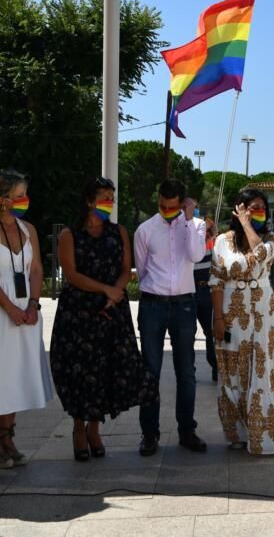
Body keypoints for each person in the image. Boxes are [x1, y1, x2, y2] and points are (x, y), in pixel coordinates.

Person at [50, 177, 158, 461]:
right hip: (78, 314)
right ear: (89, 201)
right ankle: (77, 427)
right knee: (78, 371)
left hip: (111, 312)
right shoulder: (69, 235)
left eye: (112, 197)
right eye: (104, 197)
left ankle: (95, 428)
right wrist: (105, 289)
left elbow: (126, 268)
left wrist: (117, 291)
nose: (109, 203)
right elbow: (71, 275)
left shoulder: (119, 231)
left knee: (106, 371)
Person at [209, 189, 274, 454]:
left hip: (262, 317)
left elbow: (261, 253)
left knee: (262, 371)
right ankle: (237, 433)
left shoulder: (271, 239)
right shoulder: (222, 241)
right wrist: (218, 318)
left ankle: (264, 436)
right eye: (252, 208)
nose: (258, 212)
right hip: (232, 315)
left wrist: (247, 225)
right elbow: (216, 280)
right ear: (239, 208)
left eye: (262, 208)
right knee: (232, 371)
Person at [134, 178, 208, 456]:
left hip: (184, 306)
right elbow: (142, 269)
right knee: (150, 371)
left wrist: (188, 220)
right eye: (163, 206)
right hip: (153, 304)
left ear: (183, 204)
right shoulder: (145, 230)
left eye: (173, 207)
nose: (167, 211)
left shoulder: (196, 226)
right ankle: (149, 434)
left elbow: (196, 254)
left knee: (186, 372)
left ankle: (187, 431)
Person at [0, 170, 53, 468]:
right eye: (18, 196)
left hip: (26, 311)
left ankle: (8, 437)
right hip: (3, 311)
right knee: (0, 377)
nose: (24, 201)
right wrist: (10, 308)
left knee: (16, 377)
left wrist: (33, 304)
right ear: (2, 199)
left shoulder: (27, 228)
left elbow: (35, 269)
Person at [186, 199, 218, 382]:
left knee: (212, 332)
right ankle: (188, 371)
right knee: (187, 334)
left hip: (206, 290)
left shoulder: (212, 245)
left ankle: (216, 368)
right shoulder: (184, 240)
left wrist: (212, 237)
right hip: (188, 291)